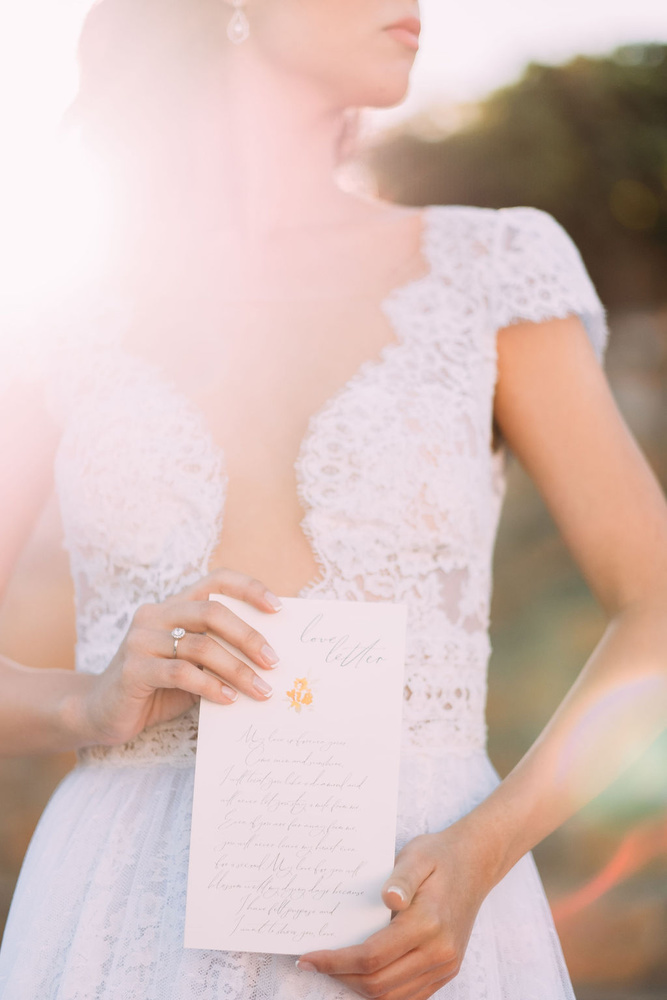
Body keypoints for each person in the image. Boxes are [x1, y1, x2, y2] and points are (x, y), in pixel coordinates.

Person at [1, 1, 667, 998]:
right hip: (117, 906)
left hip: (418, 902)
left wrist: (485, 849)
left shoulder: (488, 268)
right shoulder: (61, 303)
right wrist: (84, 698)